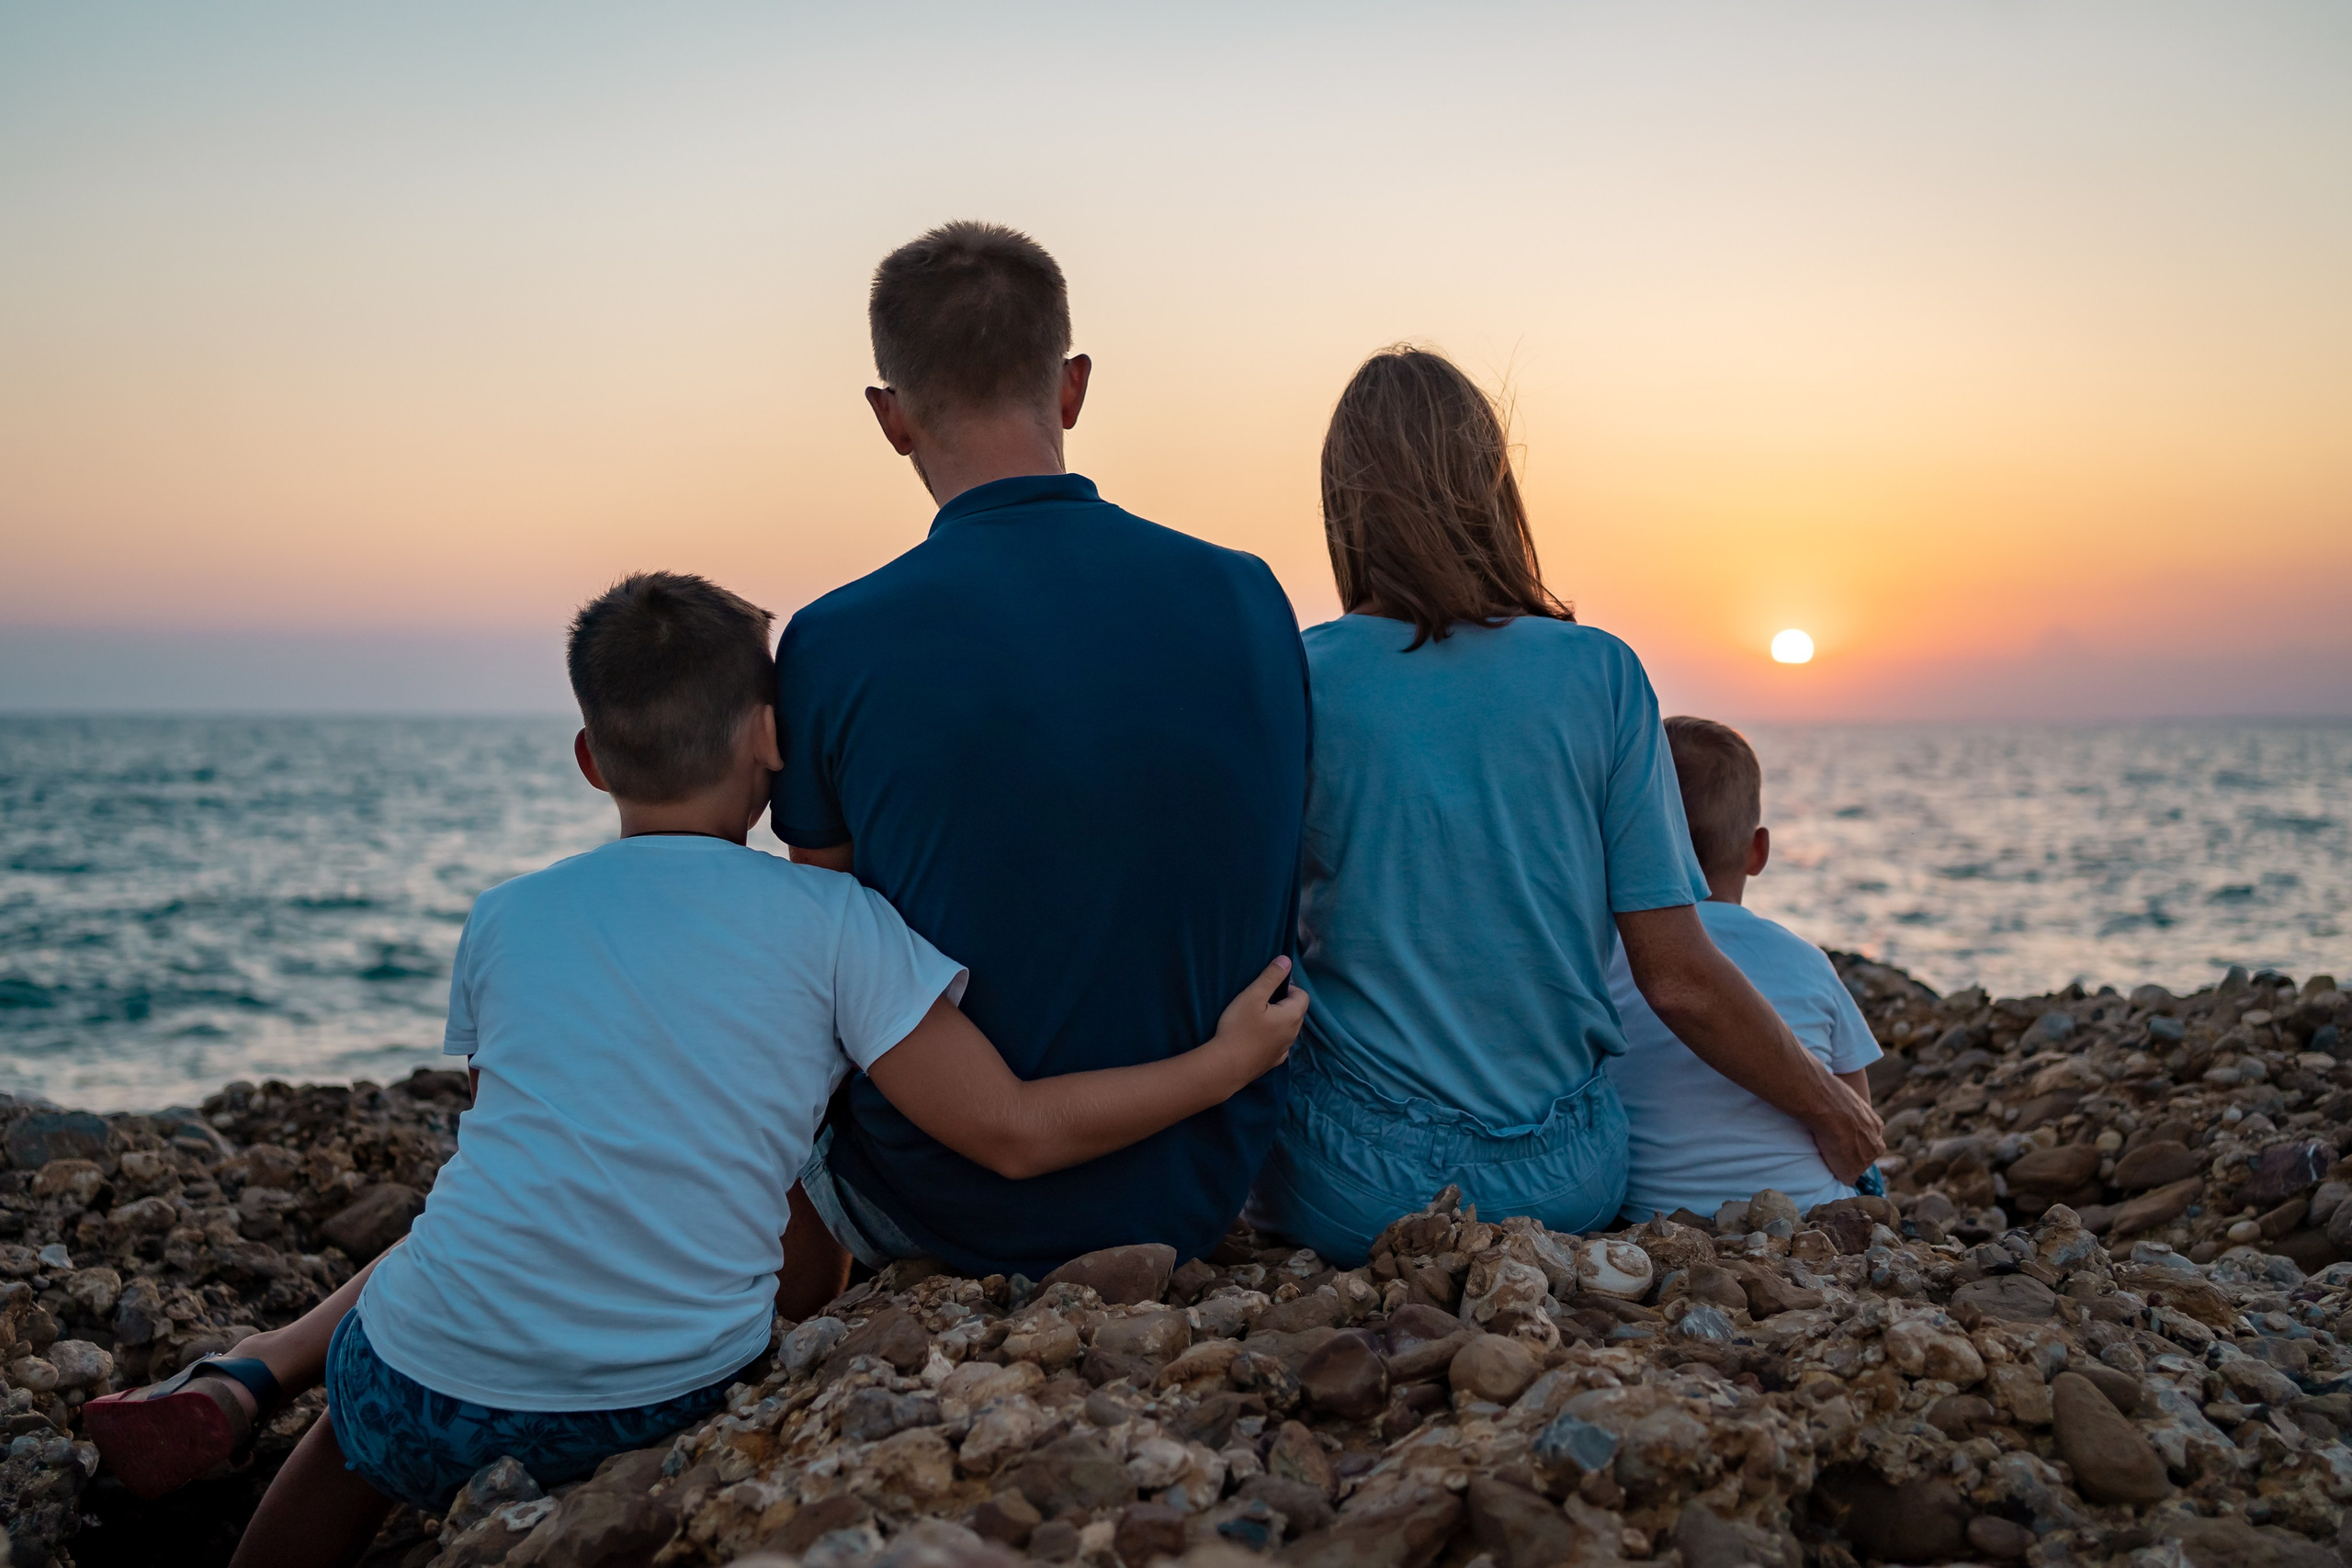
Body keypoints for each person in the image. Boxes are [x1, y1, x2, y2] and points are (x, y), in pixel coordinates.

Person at [82, 573, 1306, 1567]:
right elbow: (1013, 1129)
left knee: (368, 1409)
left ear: (589, 756)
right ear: (773, 739)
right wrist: (1218, 1063)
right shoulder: (835, 925)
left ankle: (248, 1404)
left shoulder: (506, 916)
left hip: (419, 1376)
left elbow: (515, 1148)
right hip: (656, 1397)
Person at [1247, 346, 1883, 1266]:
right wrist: (1833, 1109)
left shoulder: (1299, 675)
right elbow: (1678, 978)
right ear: (1492, 487)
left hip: (1353, 1184)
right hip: (1563, 1182)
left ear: (1343, 505)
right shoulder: (1601, 674)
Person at [773, 221, 1311, 1295]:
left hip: (944, 1200)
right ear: (1072, 387)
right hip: (1200, 1183)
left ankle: (779, 1339)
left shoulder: (832, 642)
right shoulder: (1248, 594)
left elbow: (827, 945)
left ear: (890, 416)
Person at [1605, 716, 1882, 1220]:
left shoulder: (1609, 957)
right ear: (1758, 851)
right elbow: (1856, 1116)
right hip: (1804, 1215)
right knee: (1872, 1177)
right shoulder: (1809, 961)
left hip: (1647, 1217)